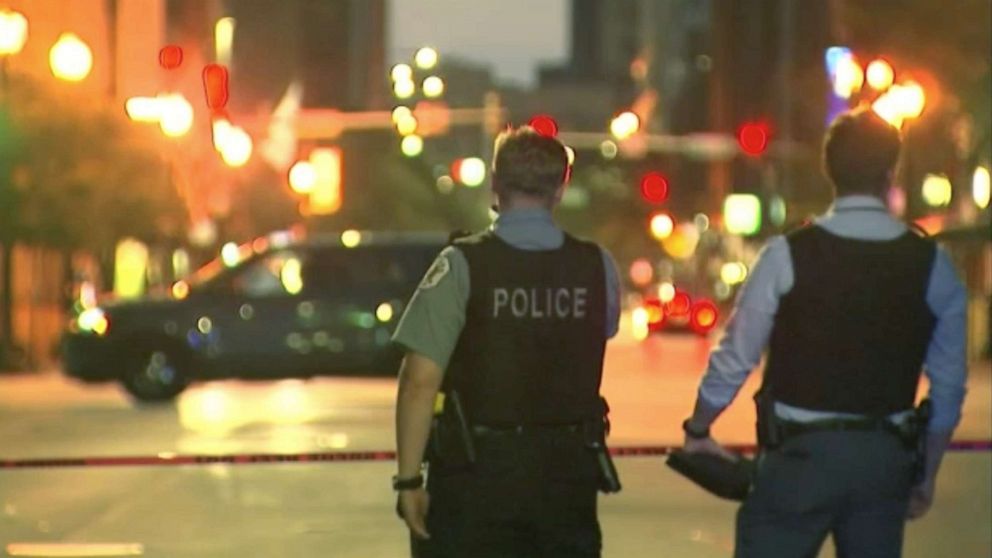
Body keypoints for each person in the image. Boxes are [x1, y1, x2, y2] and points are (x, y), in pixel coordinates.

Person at [681, 108, 967, 557]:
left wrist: (699, 427)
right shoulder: (932, 264)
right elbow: (948, 388)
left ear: (828, 170)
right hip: (884, 459)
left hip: (797, 460)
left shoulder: (787, 255)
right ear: (890, 171)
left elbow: (736, 356)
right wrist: (925, 473)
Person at [392, 126, 622, 558]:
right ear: (561, 186)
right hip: (566, 479)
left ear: (495, 182)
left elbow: (418, 381)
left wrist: (408, 482)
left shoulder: (461, 265)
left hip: (475, 479)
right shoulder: (597, 266)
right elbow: (600, 333)